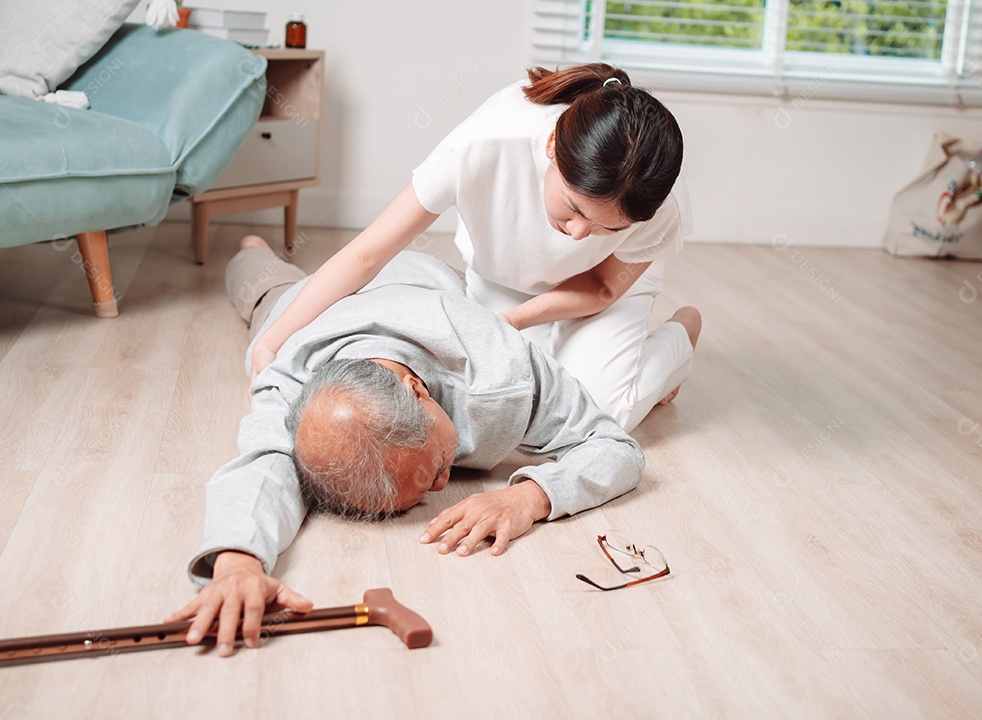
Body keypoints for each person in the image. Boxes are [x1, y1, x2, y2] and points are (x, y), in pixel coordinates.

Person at [167, 237, 646, 656]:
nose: (442, 484)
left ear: (418, 388)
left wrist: (529, 497)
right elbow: (262, 467)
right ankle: (253, 251)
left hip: (418, 276)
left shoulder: (502, 368)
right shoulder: (287, 379)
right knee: (263, 286)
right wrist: (236, 562)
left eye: (438, 464)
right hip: (306, 306)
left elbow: (615, 446)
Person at [248, 63, 702, 432]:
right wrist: (270, 342)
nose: (580, 234)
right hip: (503, 274)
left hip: (603, 290)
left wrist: (509, 322)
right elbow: (368, 253)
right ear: (550, 146)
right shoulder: (484, 144)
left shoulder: (655, 204)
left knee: (600, 413)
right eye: (573, 208)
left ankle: (681, 333)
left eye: (608, 227)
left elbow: (603, 287)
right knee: (510, 399)